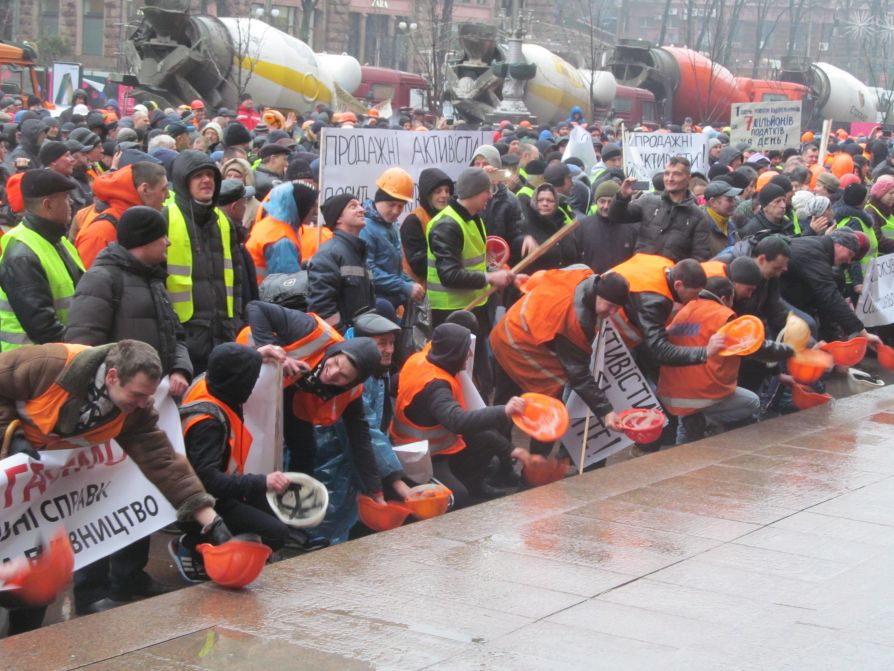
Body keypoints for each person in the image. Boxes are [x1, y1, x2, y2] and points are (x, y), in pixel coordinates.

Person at [0, 340, 228, 634]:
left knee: (33, 588)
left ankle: (24, 650)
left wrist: (212, 520)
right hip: (9, 474)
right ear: (112, 377)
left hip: (33, 495)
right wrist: (8, 433)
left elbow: (164, 461)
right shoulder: (47, 363)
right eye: (137, 395)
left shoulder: (136, 410)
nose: (145, 403)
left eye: (148, 396)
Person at [63, 206, 194, 613]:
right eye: (162, 236)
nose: (169, 242)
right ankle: (90, 590)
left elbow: (176, 334)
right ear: (142, 240)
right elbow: (81, 348)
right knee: (99, 497)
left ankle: (128, 576)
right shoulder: (102, 279)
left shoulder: (154, 280)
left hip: (141, 411)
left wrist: (178, 366)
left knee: (141, 490)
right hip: (107, 416)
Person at [172, 343, 295, 581]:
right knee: (276, 534)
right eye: (251, 377)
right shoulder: (208, 423)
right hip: (199, 503)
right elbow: (207, 480)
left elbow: (226, 367)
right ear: (238, 382)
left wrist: (255, 355)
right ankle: (192, 545)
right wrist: (262, 481)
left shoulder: (209, 386)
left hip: (220, 491)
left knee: (274, 513)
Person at [237, 301, 384, 499]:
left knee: (306, 449)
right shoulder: (311, 330)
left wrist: (376, 490)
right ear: (335, 352)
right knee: (249, 443)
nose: (332, 374)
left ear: (350, 383)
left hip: (292, 392)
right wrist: (272, 351)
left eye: (343, 377)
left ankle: (295, 504)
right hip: (250, 371)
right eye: (336, 363)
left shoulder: (351, 394)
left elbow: (361, 439)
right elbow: (255, 307)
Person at [491, 266, 630, 452]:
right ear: (598, 293)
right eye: (609, 305)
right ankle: (532, 469)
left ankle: (499, 461)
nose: (612, 313)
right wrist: (606, 412)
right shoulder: (576, 322)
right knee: (552, 405)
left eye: (617, 308)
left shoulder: (582, 274)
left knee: (505, 401)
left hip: (513, 326)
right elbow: (578, 375)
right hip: (517, 344)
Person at [391, 323, 529, 504]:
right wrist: (505, 410)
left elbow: (394, 384)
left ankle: (473, 486)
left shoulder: (420, 359)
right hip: (422, 458)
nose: (470, 354)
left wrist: (512, 450)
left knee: (487, 443)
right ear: (452, 354)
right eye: (466, 350)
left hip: (435, 447)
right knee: (456, 498)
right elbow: (458, 421)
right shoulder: (436, 387)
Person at [658, 276, 791, 443]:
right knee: (752, 402)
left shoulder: (685, 309)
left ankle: (694, 427)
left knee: (687, 428)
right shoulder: (722, 316)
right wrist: (791, 352)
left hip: (670, 391)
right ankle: (702, 422)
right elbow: (754, 349)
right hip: (698, 394)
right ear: (724, 298)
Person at [427, 168, 518, 396]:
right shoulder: (446, 225)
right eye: (488, 191)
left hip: (474, 308)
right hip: (451, 313)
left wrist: (498, 272)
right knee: (461, 381)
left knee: (480, 380)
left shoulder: (474, 219)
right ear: (477, 192)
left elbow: (475, 262)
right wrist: (489, 278)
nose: (490, 195)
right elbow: (449, 275)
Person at [164, 150, 244, 374]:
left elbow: (236, 279)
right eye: (198, 176)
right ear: (183, 181)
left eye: (210, 175)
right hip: (183, 339)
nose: (207, 180)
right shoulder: (166, 218)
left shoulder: (224, 223)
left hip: (222, 335)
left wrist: (234, 321)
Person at [0, 169, 85, 351]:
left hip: (59, 355)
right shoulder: (22, 255)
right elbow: (44, 328)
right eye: (65, 197)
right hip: (32, 365)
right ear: (47, 205)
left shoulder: (59, 240)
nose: (70, 202)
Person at [782, 230, 881, 344]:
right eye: (850, 254)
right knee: (807, 325)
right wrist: (861, 332)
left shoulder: (818, 246)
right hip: (769, 296)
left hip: (779, 294)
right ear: (838, 244)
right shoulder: (816, 255)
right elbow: (830, 296)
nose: (849, 261)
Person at [611, 157, 713, 261]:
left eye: (676, 174)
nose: (670, 178)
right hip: (641, 271)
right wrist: (622, 196)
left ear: (688, 179)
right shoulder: (648, 202)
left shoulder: (698, 217)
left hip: (671, 275)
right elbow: (616, 216)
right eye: (667, 173)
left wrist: (677, 273)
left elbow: (700, 256)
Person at [73, 161, 169, 268]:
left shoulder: (140, 223)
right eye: (163, 189)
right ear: (144, 189)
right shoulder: (101, 233)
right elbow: (89, 280)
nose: (168, 196)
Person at [308, 192, 376, 333]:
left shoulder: (359, 252)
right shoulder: (328, 255)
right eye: (353, 206)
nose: (361, 209)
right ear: (338, 217)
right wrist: (343, 336)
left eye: (360, 205)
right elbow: (322, 308)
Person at [359, 168, 423, 309]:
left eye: (400, 206)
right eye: (391, 205)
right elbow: (368, 271)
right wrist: (404, 286)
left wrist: (409, 283)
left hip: (391, 301)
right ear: (378, 200)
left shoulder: (392, 225)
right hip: (374, 303)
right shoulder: (365, 228)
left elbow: (395, 268)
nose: (396, 211)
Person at [246, 181, 318, 282]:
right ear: (300, 206)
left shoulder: (270, 223)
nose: (315, 211)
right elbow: (289, 287)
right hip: (265, 294)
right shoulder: (282, 240)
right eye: (312, 206)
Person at [401, 168, 453, 283]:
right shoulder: (413, 221)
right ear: (427, 194)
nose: (444, 195)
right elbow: (418, 264)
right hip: (419, 291)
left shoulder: (451, 218)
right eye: (438, 191)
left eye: (447, 190)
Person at [576, 180, 638, 273]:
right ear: (596, 202)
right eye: (602, 201)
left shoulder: (631, 227)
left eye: (610, 202)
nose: (606, 206)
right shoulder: (582, 226)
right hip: (593, 283)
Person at [521, 183, 579, 274]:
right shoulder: (524, 228)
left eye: (549, 200)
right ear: (534, 202)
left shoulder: (566, 229)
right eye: (540, 200)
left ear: (556, 203)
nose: (545, 204)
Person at [702, 179, 742, 255]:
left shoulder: (730, 225)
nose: (733, 203)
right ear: (713, 202)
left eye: (733, 199)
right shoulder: (701, 228)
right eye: (729, 200)